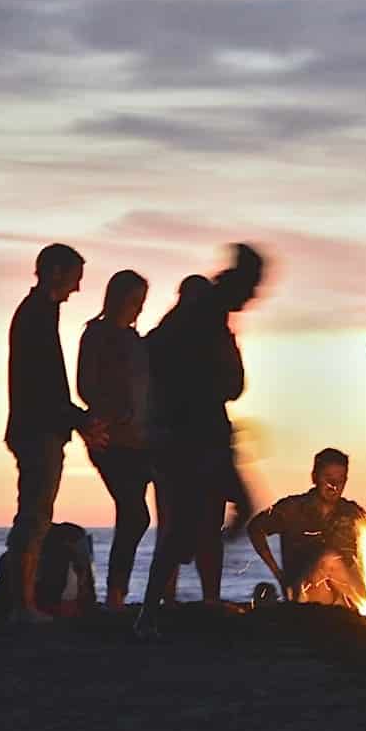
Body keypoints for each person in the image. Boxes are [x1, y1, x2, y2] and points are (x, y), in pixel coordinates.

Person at [141, 245, 265, 632]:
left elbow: (230, 382)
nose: (254, 298)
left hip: (196, 433)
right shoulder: (204, 314)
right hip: (192, 435)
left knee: (212, 518)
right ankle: (151, 612)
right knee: (196, 523)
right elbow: (227, 382)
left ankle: (162, 605)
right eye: (253, 288)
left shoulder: (203, 319)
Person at [5, 244, 106, 621]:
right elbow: (44, 385)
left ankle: (24, 602)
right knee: (34, 514)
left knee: (35, 513)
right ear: (56, 272)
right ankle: (23, 605)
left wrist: (74, 420)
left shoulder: (39, 314)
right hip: (38, 430)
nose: (77, 289)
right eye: (75, 279)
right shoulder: (36, 316)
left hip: (39, 426)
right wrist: (77, 420)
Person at [78, 269, 154, 608]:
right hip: (111, 439)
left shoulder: (138, 342)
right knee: (135, 513)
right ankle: (115, 595)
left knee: (135, 514)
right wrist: (114, 412)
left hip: (142, 439)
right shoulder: (97, 334)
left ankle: (119, 595)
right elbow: (85, 384)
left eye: (141, 302)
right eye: (133, 300)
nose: (137, 308)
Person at [247, 448, 366, 610]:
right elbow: (255, 528)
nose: (334, 486)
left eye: (340, 480)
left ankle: (364, 608)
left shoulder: (352, 513)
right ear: (315, 477)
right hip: (308, 594)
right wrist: (278, 574)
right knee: (329, 560)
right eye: (328, 478)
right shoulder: (293, 508)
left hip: (345, 596)